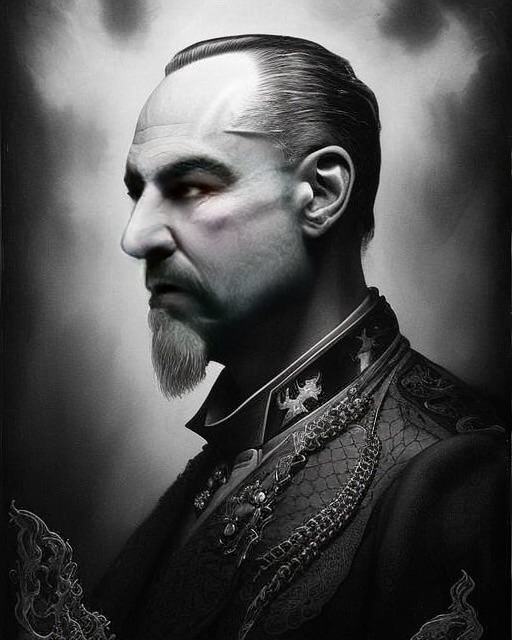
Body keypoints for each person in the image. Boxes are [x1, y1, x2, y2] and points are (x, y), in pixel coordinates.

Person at [92, 35, 507, 640]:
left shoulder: (455, 479)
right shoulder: (228, 450)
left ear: (322, 193)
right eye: (139, 192)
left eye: (189, 187)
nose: (135, 238)